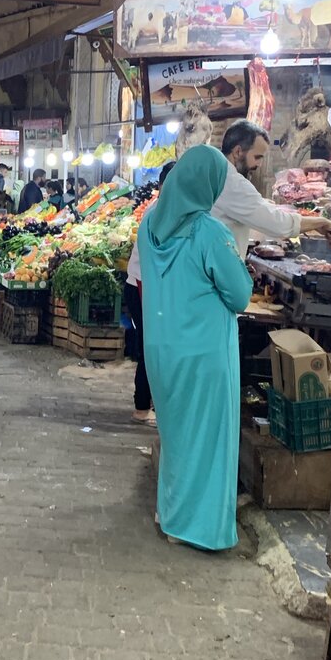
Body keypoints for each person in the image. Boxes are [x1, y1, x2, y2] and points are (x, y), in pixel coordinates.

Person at [139, 146, 254, 550]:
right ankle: (198, 528)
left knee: (176, 437)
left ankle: (171, 516)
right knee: (207, 440)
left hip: (161, 349)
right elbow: (239, 296)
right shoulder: (210, 232)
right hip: (204, 353)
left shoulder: (149, 225)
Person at [215, 121, 331, 255]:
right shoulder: (232, 182)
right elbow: (277, 224)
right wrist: (321, 222)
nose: (259, 164)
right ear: (238, 152)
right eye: (257, 157)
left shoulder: (217, 173)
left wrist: (262, 203)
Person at [125, 160, 175, 424]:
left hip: (145, 285)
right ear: (162, 185)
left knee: (152, 346)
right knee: (151, 347)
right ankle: (142, 407)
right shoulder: (160, 212)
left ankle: (148, 403)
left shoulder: (166, 210)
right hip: (142, 286)